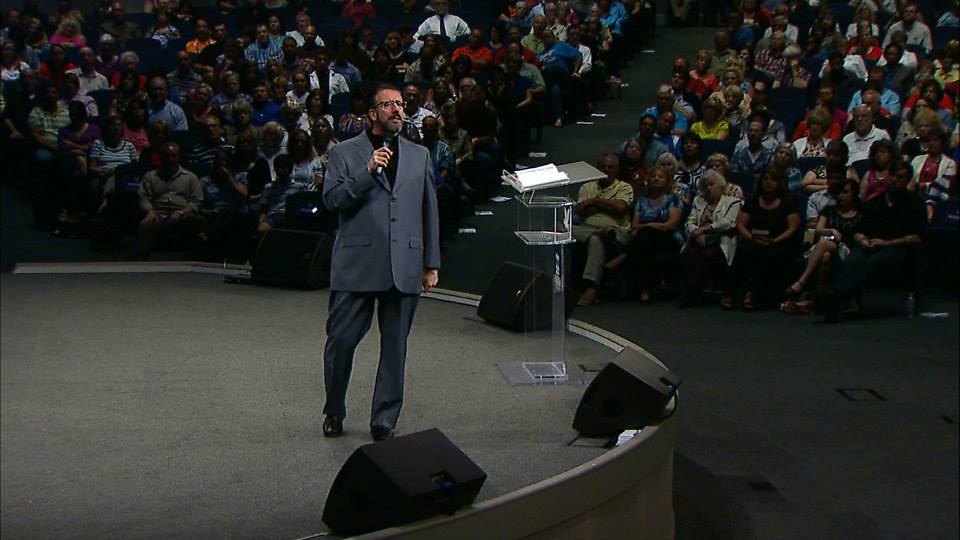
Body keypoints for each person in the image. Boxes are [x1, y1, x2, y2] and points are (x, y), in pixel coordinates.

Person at [320, 84, 440, 441]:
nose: (398, 110)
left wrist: (431, 262)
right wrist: (368, 170)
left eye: (401, 104)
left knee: (395, 348)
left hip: (404, 263)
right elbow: (332, 200)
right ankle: (334, 409)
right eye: (389, 105)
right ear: (372, 113)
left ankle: (383, 420)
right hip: (356, 263)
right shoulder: (344, 152)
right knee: (341, 341)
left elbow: (429, 211)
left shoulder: (420, 155)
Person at [820, 160, 927, 322]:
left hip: (898, 248)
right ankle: (838, 301)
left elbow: (917, 237)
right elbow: (858, 230)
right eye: (892, 175)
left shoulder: (915, 204)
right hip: (870, 244)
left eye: (899, 177)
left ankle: (833, 296)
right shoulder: (874, 202)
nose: (894, 179)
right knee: (853, 259)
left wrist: (885, 243)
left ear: (907, 181)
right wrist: (861, 239)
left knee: (873, 262)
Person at [735, 167, 802, 309]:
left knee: (772, 254)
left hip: (780, 241)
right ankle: (745, 293)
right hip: (755, 239)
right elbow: (740, 224)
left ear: (779, 183)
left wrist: (774, 241)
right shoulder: (753, 201)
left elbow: (792, 228)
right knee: (744, 251)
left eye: (772, 179)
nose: (768, 182)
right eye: (765, 179)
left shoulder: (788, 202)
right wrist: (751, 238)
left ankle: (762, 296)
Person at [786, 177, 861, 304]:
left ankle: (801, 282)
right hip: (828, 245)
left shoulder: (859, 213)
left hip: (848, 249)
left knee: (824, 245)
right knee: (825, 256)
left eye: (845, 192)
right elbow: (819, 229)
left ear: (854, 194)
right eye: (839, 192)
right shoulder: (829, 209)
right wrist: (832, 231)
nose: (841, 195)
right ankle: (820, 295)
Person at [573, 153, 634, 306]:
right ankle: (590, 287)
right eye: (603, 166)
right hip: (588, 228)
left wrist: (594, 201)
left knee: (596, 238)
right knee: (565, 231)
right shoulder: (587, 187)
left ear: (617, 170)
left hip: (616, 230)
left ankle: (591, 288)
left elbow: (620, 208)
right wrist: (608, 205)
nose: (606, 170)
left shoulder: (624, 187)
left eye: (611, 167)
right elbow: (581, 211)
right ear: (597, 168)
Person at [680, 170, 741, 308]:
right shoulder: (698, 201)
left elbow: (729, 222)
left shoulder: (733, 202)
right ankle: (694, 291)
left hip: (720, 240)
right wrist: (696, 232)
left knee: (708, 255)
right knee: (688, 254)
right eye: (705, 185)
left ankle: (694, 292)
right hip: (698, 239)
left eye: (712, 184)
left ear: (721, 186)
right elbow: (690, 221)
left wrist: (706, 229)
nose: (708, 188)